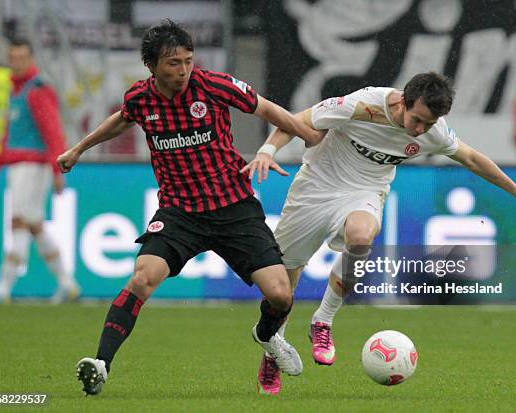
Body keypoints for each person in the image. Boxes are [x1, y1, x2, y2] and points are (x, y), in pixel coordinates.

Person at [243, 72, 516, 394]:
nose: (422, 130)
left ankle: (323, 321)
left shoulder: (432, 131)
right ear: (402, 102)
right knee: (283, 288)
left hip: (365, 191)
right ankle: (273, 348)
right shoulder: (362, 104)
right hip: (316, 188)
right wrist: (268, 150)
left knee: (361, 236)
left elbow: (471, 158)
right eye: (418, 120)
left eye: (430, 123)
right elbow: (295, 120)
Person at [56, 20, 322, 396]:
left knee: (281, 295)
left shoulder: (213, 85)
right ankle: (101, 364)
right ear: (151, 65)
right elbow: (122, 119)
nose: (182, 71)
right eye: (172, 64)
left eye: (187, 61)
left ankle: (266, 337)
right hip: (180, 213)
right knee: (142, 278)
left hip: (233, 207)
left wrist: (308, 135)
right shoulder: (141, 97)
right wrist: (78, 149)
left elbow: (265, 108)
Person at [0, 38, 80, 305]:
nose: (16, 63)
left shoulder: (37, 90)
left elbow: (52, 131)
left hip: (32, 166)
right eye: (12, 58)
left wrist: (58, 168)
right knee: (35, 225)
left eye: (21, 57)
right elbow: (9, 134)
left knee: (18, 222)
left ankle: (3, 288)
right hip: (18, 165)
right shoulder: (17, 91)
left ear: (32, 58)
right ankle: (67, 283)